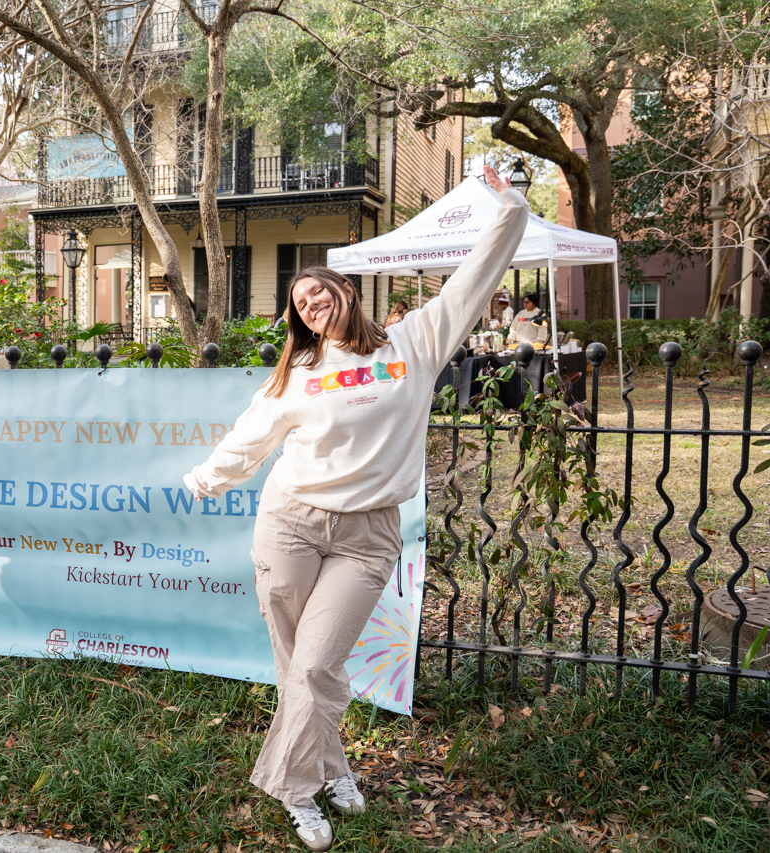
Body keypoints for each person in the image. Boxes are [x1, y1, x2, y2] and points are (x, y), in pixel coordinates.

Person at [181, 165, 527, 851]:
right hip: (290, 524)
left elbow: (476, 277)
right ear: (297, 315)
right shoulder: (298, 374)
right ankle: (331, 767)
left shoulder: (415, 342)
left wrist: (509, 204)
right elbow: (251, 437)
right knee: (301, 665)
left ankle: (293, 786)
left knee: (315, 663)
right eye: (300, 301)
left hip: (368, 534)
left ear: (346, 291)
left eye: (320, 291)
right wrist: (203, 480)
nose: (311, 304)